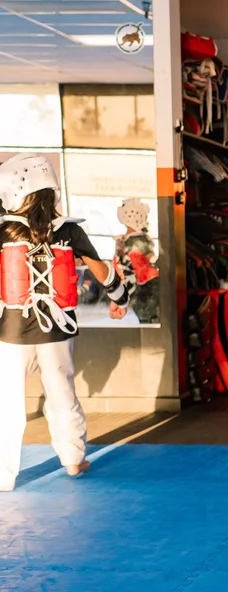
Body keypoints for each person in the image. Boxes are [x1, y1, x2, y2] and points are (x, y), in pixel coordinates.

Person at [0, 153, 131, 492]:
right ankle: (73, 460)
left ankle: (3, 475)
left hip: (11, 330)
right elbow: (101, 270)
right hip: (57, 329)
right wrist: (121, 299)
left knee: (7, 402)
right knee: (62, 394)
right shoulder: (69, 230)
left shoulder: (4, 230)